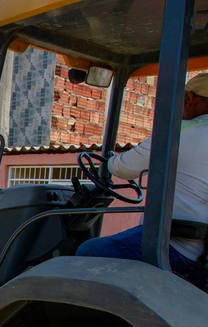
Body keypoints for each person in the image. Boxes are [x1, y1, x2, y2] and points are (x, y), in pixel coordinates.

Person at [77, 73, 208, 278]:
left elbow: (122, 168)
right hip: (201, 250)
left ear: (190, 98)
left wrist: (111, 160)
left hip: (173, 247)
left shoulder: (178, 135)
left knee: (88, 251)